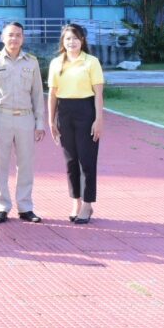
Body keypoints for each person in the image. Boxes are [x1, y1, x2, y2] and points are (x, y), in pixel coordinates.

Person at [0, 21, 46, 224]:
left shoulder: (31, 62)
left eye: (18, 35)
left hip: (25, 118)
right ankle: (1, 206)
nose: (14, 39)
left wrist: (39, 122)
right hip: (1, 116)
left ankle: (25, 207)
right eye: (10, 35)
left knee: (25, 164)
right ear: (2, 38)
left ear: (23, 38)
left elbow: (37, 94)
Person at [48, 23, 104, 224]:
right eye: (68, 38)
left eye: (75, 38)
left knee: (86, 160)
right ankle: (76, 202)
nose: (72, 42)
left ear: (82, 40)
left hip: (86, 111)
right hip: (64, 112)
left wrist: (98, 119)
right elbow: (52, 94)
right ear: (63, 41)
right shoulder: (56, 63)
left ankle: (88, 204)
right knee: (70, 161)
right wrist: (51, 120)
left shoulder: (91, 62)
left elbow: (98, 94)